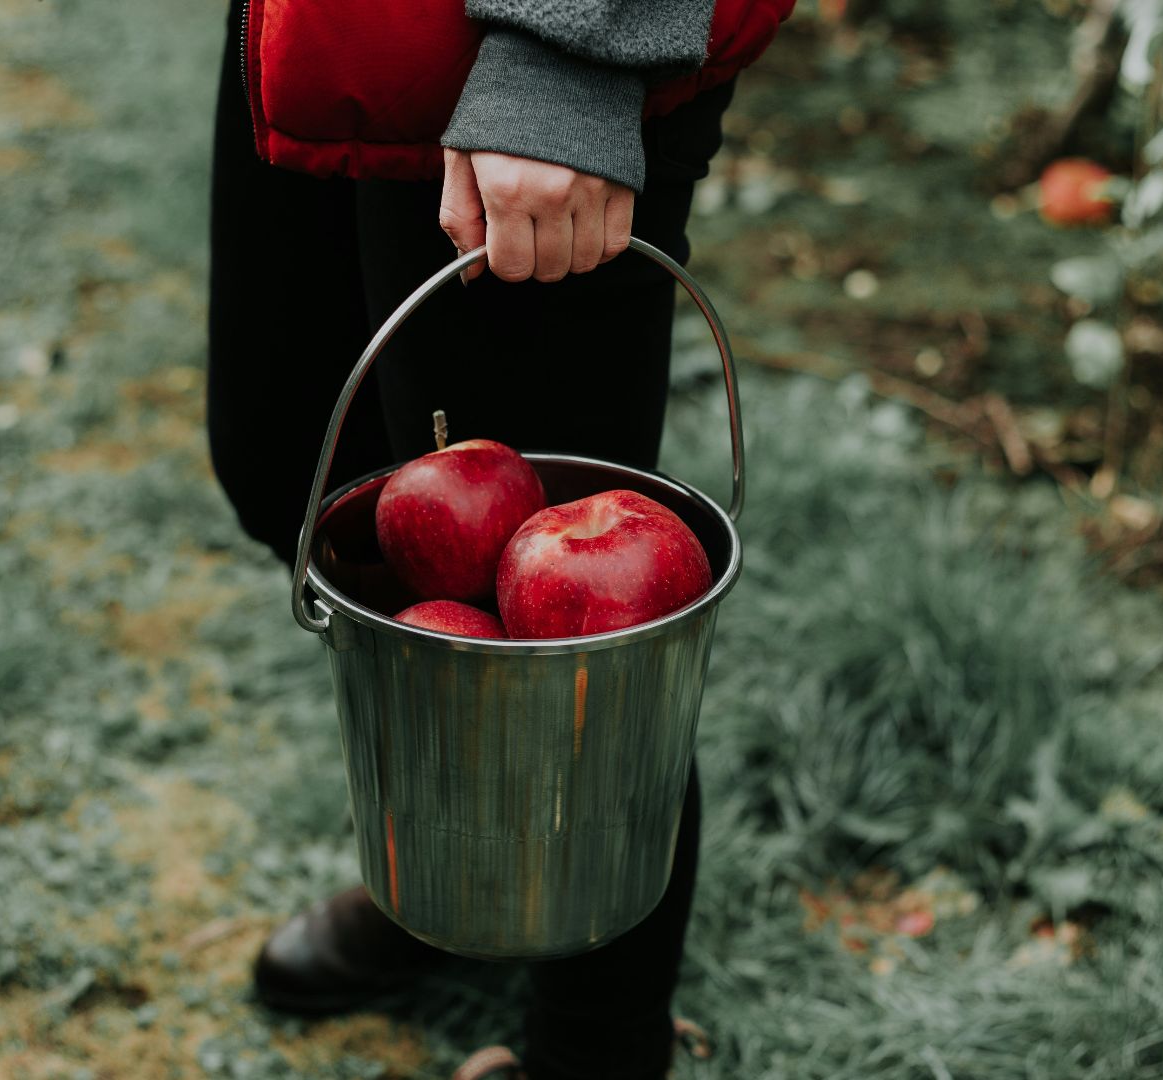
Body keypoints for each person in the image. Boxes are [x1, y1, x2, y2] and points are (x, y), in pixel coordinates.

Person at [204, 3, 786, 1076]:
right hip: (330, 40)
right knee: (290, 464)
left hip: (515, 60)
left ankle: (596, 1044)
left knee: (574, 656)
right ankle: (459, 881)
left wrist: (570, 57)